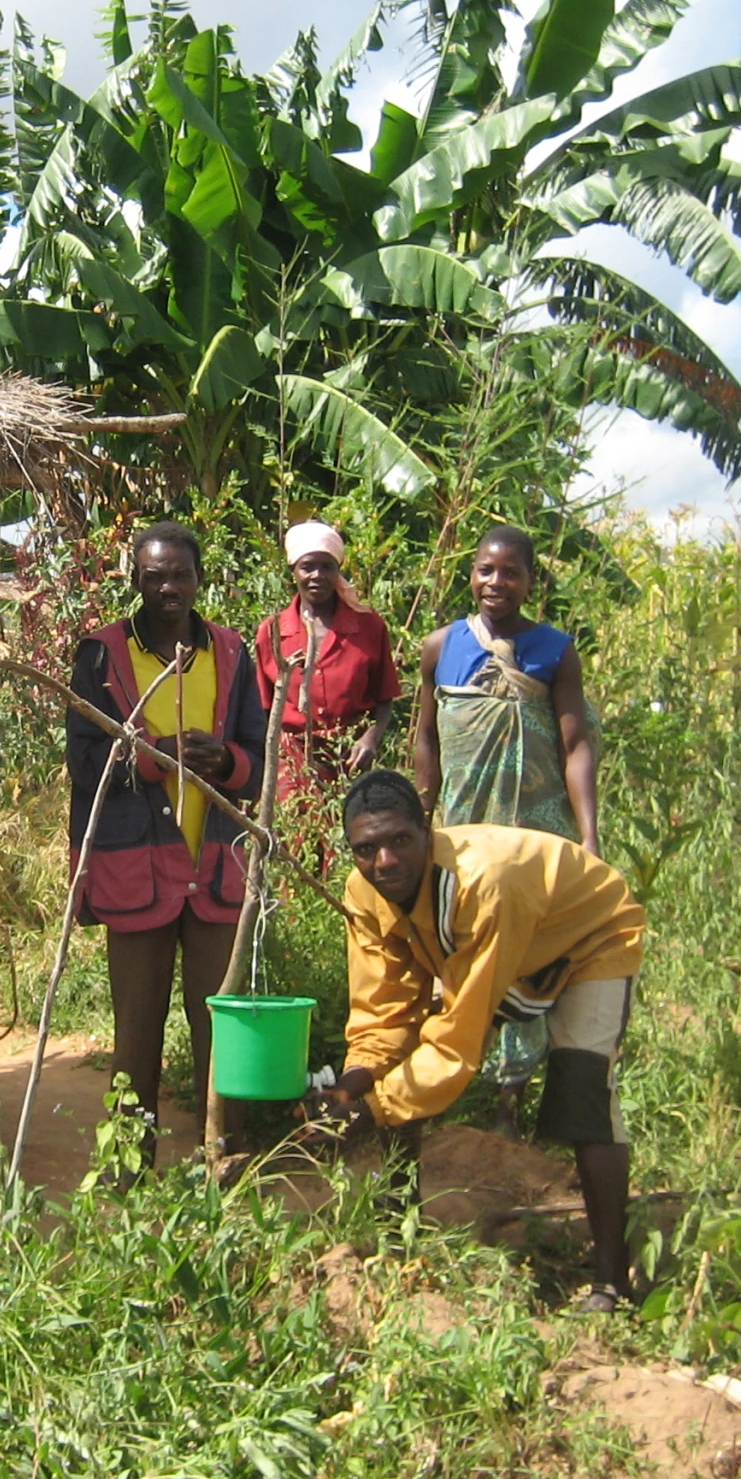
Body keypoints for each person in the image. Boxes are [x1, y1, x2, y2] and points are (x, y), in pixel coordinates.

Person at [304, 769, 644, 1311]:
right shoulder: (364, 891)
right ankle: (399, 1238)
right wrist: (352, 1087)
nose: (385, 862)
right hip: (507, 943)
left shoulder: (480, 883)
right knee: (401, 1072)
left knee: (583, 1091)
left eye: (399, 841)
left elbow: (457, 1042)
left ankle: (610, 1280)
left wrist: (372, 1109)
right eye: (366, 849)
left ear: (427, 830)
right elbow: (382, 1010)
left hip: (587, 936)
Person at [67, 522, 266, 1161]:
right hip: (137, 872)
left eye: (180, 574)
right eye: (154, 575)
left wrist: (225, 760)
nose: (168, 587)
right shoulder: (101, 655)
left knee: (220, 1031)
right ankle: (129, 1174)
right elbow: (83, 761)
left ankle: (224, 1165)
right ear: (136, 580)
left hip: (215, 870)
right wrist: (156, 758)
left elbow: (261, 763)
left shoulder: (234, 654)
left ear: (199, 579)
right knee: (135, 1037)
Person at [411, 523, 600, 1136]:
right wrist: (420, 817)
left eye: (511, 572)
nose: (497, 583)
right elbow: (426, 739)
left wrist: (588, 837)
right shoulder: (441, 647)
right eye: (486, 570)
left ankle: (509, 1105)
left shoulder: (555, 650)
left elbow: (576, 747)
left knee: (529, 958)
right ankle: (442, 1089)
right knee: (458, 951)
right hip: (463, 832)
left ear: (530, 581)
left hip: (536, 838)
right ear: (471, 573)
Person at [253, 520, 403, 801]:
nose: (317, 575)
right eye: (308, 566)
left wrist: (369, 739)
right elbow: (263, 709)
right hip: (292, 765)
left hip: (350, 760)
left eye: (327, 567)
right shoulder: (272, 632)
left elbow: (384, 697)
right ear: (293, 571)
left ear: (338, 570)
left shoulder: (368, 627)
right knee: (296, 842)